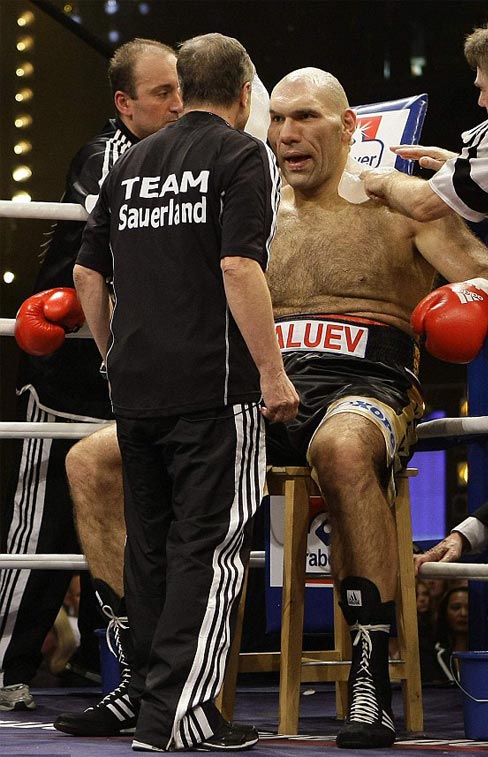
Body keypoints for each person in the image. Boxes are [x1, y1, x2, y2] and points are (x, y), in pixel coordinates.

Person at [57, 63, 488, 749]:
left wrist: (473, 297)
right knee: (92, 461)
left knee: (341, 447)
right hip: (258, 391)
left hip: (367, 386)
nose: (288, 133)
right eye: (280, 119)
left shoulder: (398, 207)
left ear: (348, 126)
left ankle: (369, 674)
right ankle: (139, 676)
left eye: (307, 118)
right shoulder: (254, 207)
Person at [72, 32, 298, 753]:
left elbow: (86, 274)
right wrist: (273, 373)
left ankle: (152, 700)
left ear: (186, 87)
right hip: (213, 388)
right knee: (210, 547)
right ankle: (178, 716)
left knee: (152, 550)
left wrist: (113, 357)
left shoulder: (130, 161)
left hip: (137, 387)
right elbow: (239, 266)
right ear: (244, 94)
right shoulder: (242, 154)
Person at [0, 38, 183, 713]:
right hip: (70, 376)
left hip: (135, 377)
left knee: (129, 527)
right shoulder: (108, 155)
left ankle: (119, 664)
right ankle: (6, 663)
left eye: (180, 89)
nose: (177, 103)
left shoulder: (184, 156)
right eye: (162, 92)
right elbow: (103, 255)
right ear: (124, 103)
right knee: (43, 526)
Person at [362, 14, 488, 609]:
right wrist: (457, 163)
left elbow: (426, 206)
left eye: (482, 86)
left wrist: (375, 180)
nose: (477, 98)